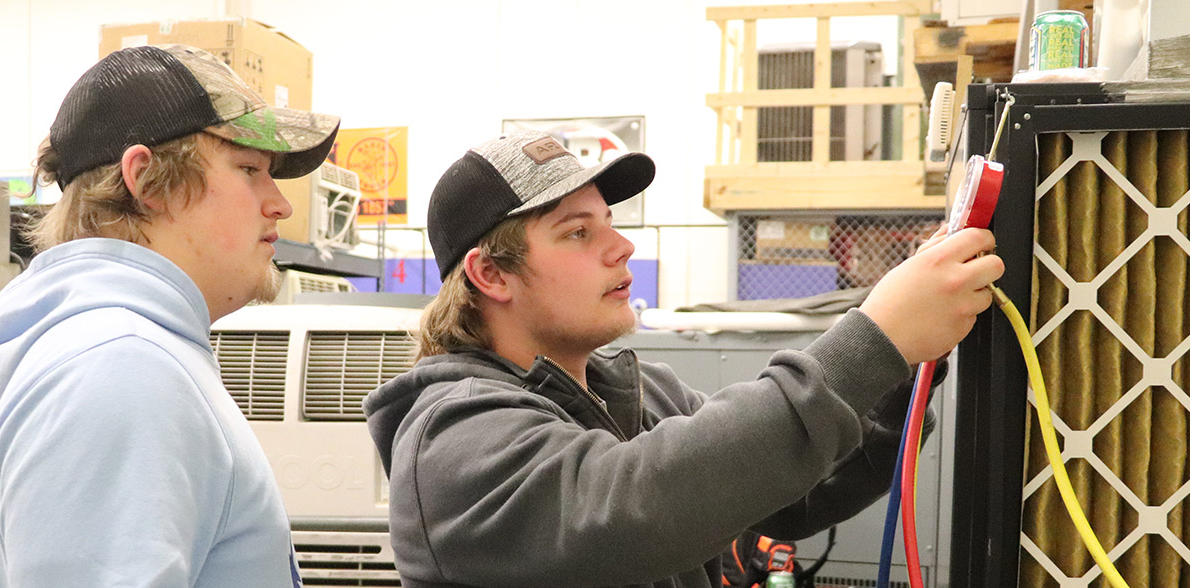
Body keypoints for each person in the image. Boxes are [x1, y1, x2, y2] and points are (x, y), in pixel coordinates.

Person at [363, 131, 1003, 588]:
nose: (621, 246)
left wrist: (899, 369)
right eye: (578, 232)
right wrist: (874, 338)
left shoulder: (640, 396)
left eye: (608, 221)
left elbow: (789, 492)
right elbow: (636, 507)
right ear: (491, 274)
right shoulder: (452, 438)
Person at [0, 44, 339, 587]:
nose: (279, 203)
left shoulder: (130, 355)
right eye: (249, 169)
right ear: (147, 181)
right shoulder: (119, 368)